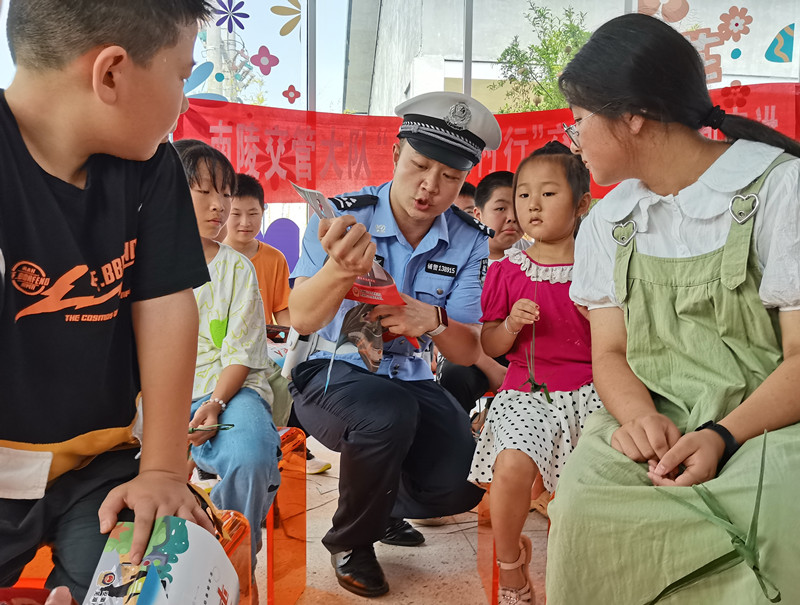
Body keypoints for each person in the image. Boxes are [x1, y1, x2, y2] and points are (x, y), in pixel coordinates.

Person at [546, 13, 800, 605]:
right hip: (658, 416)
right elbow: (610, 353)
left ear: (633, 116)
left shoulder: (779, 189)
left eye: (579, 120)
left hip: (768, 422)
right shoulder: (608, 223)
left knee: (776, 508)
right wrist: (638, 418)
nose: (574, 138)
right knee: (583, 503)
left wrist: (722, 436)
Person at [0, 1, 215, 600]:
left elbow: (165, 305)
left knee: (168, 571)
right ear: (112, 73)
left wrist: (164, 468)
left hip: (104, 465)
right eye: (182, 75)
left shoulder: (151, 168)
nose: (184, 102)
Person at [287, 91, 501, 598]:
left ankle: (379, 507)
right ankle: (351, 541)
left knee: (464, 480)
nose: (430, 186)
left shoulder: (470, 239)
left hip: (409, 375)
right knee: (387, 412)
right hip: (330, 371)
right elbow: (303, 316)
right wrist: (340, 270)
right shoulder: (342, 217)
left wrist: (432, 320)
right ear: (395, 154)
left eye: (450, 177)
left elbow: (467, 350)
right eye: (419, 166)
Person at [469, 142, 599, 605]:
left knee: (597, 486)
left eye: (548, 193)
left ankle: (590, 573)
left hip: (596, 389)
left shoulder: (599, 266)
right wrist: (509, 325)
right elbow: (491, 345)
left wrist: (595, 314)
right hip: (528, 390)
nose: (532, 206)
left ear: (582, 204)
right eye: (523, 195)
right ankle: (510, 568)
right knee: (510, 468)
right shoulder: (507, 271)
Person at [173, 139, 282, 571]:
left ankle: (231, 562)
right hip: (157, 398)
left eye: (225, 193)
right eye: (205, 191)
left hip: (229, 392)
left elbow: (239, 352)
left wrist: (216, 404)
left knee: (251, 455)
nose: (220, 205)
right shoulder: (137, 261)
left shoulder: (237, 268)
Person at [437, 171, 522, 417]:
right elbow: (453, 327)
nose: (511, 217)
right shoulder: (456, 258)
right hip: (468, 352)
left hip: (518, 352)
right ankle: (457, 434)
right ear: (478, 214)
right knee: (455, 376)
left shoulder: (535, 256)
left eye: (518, 208)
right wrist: (492, 369)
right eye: (501, 208)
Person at [223, 173, 291, 327]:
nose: (245, 222)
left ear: (262, 212)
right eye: (236, 214)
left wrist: (296, 336)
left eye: (253, 213)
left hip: (262, 340)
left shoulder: (275, 259)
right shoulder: (210, 256)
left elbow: (282, 309)